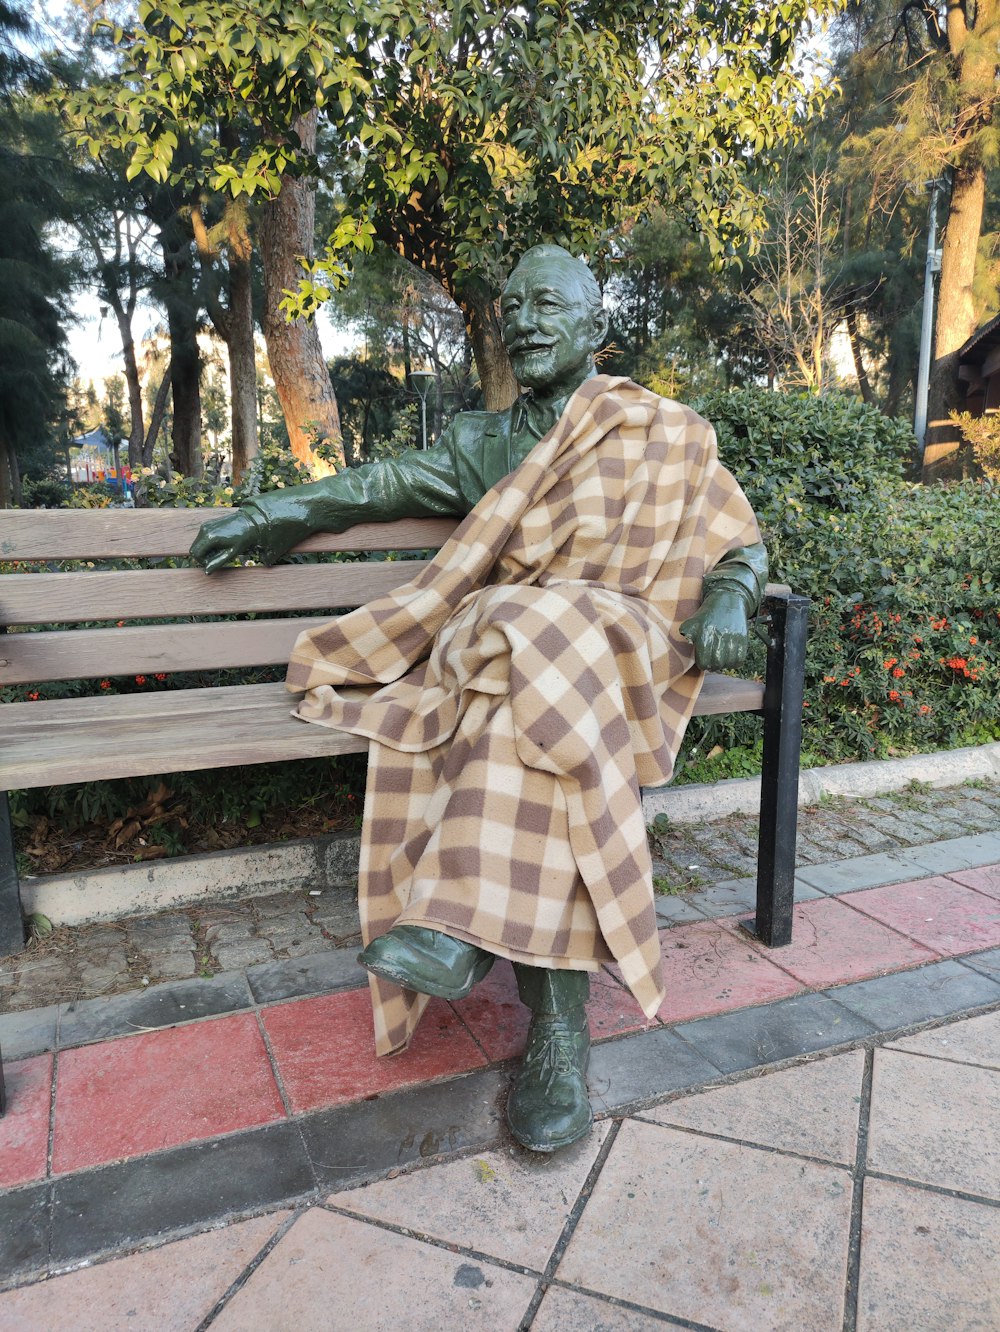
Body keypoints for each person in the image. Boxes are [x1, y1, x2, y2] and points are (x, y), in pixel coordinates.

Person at [191, 244, 767, 1153]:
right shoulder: (484, 442)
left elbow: (734, 539)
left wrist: (730, 599)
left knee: (541, 652)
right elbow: (380, 485)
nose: (524, 322)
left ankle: (450, 924)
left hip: (617, 647)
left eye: (546, 304)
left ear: (595, 328)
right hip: (520, 658)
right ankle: (557, 1037)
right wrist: (276, 514)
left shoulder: (662, 430)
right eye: (512, 308)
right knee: (531, 670)